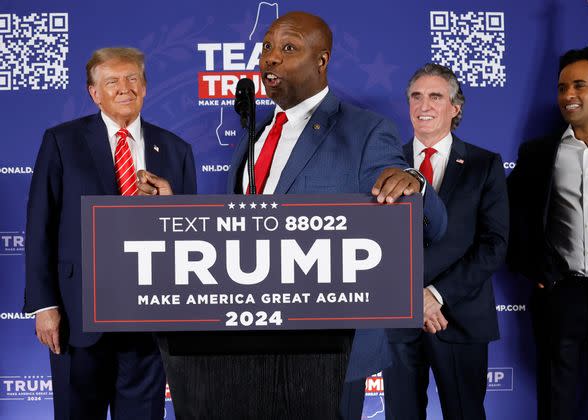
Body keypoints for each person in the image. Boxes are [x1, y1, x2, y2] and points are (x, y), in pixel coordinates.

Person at [157, 11, 447, 420]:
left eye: (288, 48)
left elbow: (415, 215)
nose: (270, 58)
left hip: (332, 350)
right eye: (267, 49)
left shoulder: (364, 130)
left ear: (321, 61)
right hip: (251, 343)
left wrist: (412, 181)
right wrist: (171, 211)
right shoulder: (253, 136)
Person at [23, 47, 197, 419]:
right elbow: (40, 225)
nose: (124, 88)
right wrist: (44, 305)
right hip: (77, 317)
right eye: (112, 81)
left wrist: (169, 205)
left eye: (132, 78)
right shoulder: (62, 142)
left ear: (145, 87)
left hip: (148, 322)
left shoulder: (176, 150)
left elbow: (189, 239)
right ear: (94, 92)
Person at [367, 64, 508, 420]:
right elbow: (369, 244)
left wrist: (435, 296)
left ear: (454, 107)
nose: (423, 104)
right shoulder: (383, 165)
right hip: (399, 319)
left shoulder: (484, 164)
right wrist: (413, 298)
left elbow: (494, 244)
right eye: (416, 96)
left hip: (459, 318)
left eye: (435, 96)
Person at [507, 46, 588, 420]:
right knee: (555, 406)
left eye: (579, 86)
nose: (568, 96)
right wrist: (536, 271)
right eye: (562, 88)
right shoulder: (538, 153)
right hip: (562, 298)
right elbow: (509, 221)